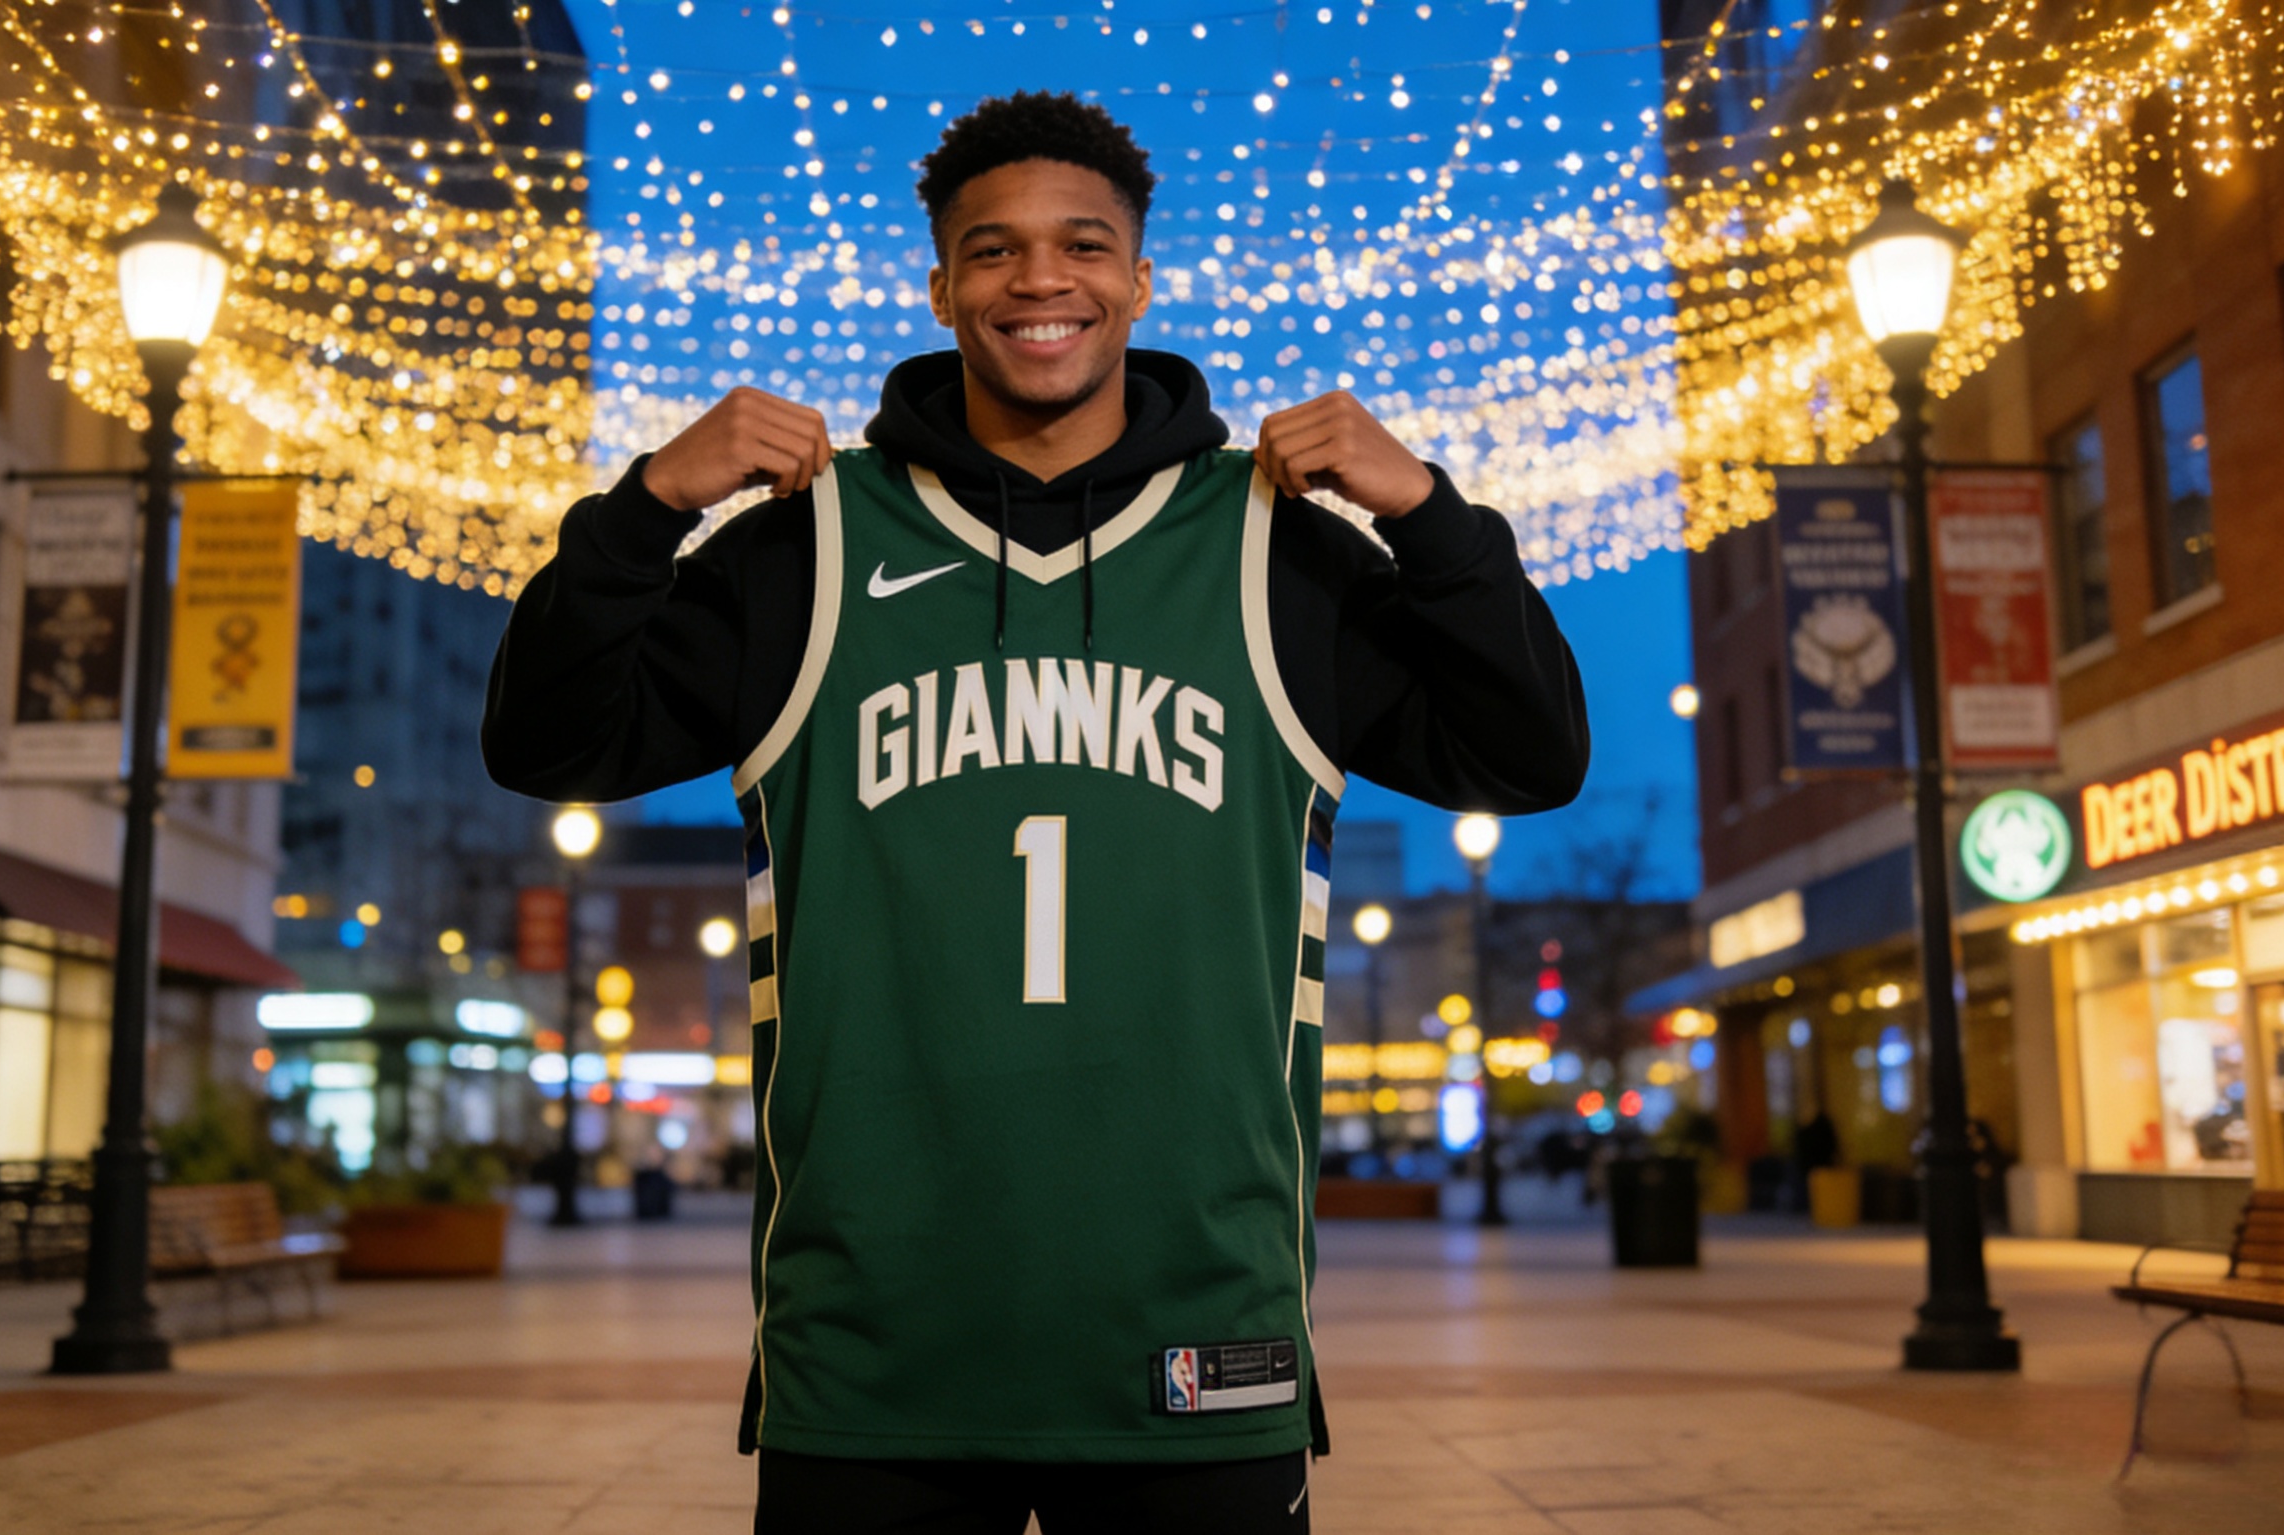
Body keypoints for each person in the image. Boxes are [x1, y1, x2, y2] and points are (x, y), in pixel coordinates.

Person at [482, 92, 1588, 1533]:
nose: (1039, 279)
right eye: (991, 251)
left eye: (1083, 245)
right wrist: (640, 511)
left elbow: (1532, 753)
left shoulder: (1275, 550)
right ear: (940, 286)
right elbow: (542, 738)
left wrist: (1432, 518)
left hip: (1201, 1325)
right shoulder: (806, 545)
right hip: (874, 1339)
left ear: (1139, 277)